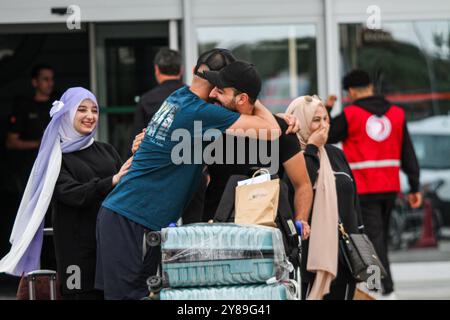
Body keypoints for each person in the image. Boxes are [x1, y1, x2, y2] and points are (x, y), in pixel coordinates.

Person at [95, 50, 281, 300]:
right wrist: (252, 98)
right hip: (134, 218)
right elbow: (271, 130)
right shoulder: (202, 113)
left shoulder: (179, 96)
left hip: (127, 214)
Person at [0, 88, 130, 300]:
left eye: (95, 110)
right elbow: (72, 194)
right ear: (67, 114)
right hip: (77, 253)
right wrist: (112, 181)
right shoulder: (56, 158)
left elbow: (126, 191)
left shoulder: (107, 151)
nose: (90, 116)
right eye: (82, 109)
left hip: (111, 248)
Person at [326, 70, 422, 298]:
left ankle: (382, 289)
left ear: (350, 92)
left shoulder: (351, 115)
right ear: (371, 87)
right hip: (389, 187)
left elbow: (324, 134)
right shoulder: (397, 114)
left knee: (370, 240)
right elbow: (408, 152)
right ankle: (379, 287)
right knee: (380, 239)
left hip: (364, 188)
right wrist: (415, 185)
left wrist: (327, 110)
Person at [200, 62, 313, 237]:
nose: (212, 93)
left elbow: (303, 184)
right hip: (216, 233)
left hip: (267, 236)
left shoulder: (282, 129)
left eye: (221, 91)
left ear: (242, 99)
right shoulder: (211, 128)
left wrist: (301, 221)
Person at [285, 95, 364, 300]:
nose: (324, 126)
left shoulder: (336, 154)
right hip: (309, 257)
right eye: (316, 120)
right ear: (300, 121)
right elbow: (302, 187)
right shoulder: (290, 156)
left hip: (343, 257)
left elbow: (353, 199)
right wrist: (311, 148)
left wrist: (360, 241)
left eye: (326, 119)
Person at [132, 48, 184, 136]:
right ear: (182, 69)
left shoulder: (147, 100)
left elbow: (137, 139)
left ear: (156, 69)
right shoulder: (195, 96)